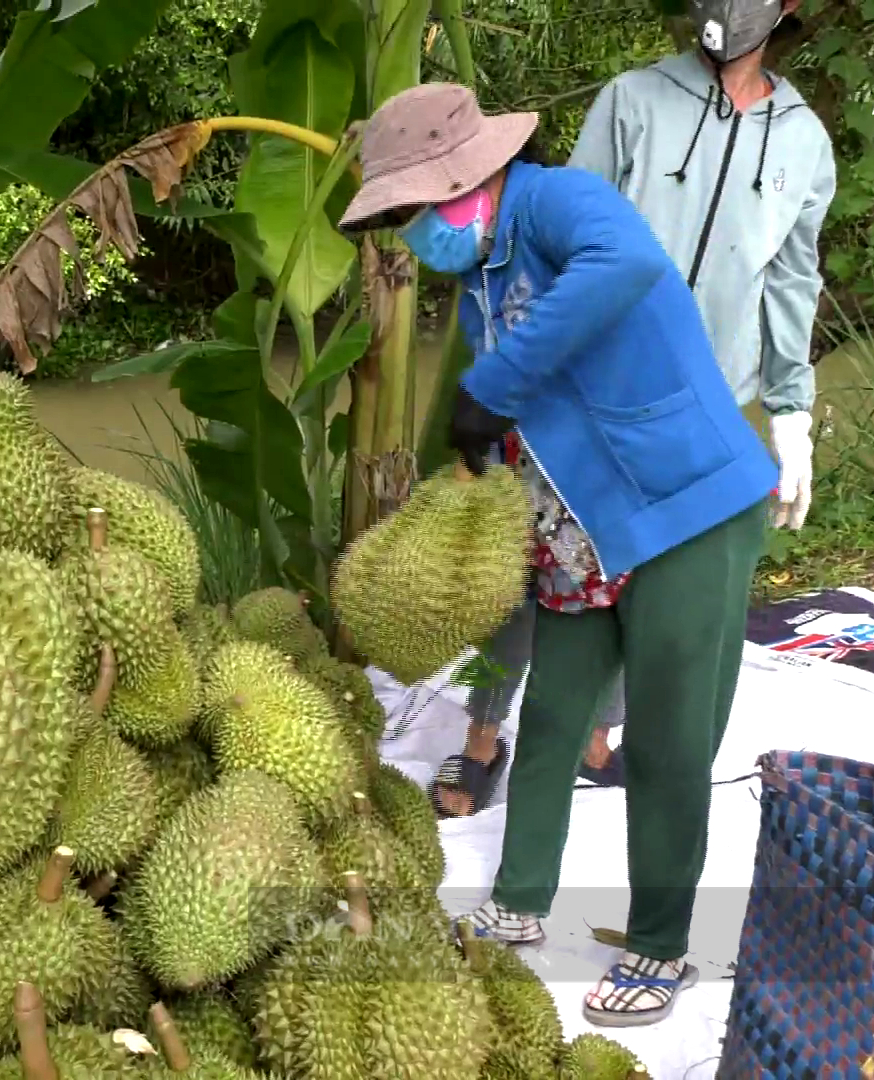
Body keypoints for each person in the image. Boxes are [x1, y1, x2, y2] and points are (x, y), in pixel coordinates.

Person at [337, 81, 778, 1027]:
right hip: (579, 538)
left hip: (685, 509)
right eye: (403, 218)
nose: (416, 233)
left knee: (667, 741)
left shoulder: (561, 202)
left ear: (470, 176)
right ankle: (523, 900)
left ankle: (662, 945)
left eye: (416, 209)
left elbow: (620, 267)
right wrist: (481, 457)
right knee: (547, 724)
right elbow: (518, 414)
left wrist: (493, 381)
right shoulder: (479, 284)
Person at [558, 0, 835, 773]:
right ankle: (483, 733)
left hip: (707, 401)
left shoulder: (804, 140)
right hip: (601, 381)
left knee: (666, 578)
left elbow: (791, 282)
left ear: (787, 8)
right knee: (548, 570)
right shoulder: (633, 100)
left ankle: (609, 732)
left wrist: (790, 413)